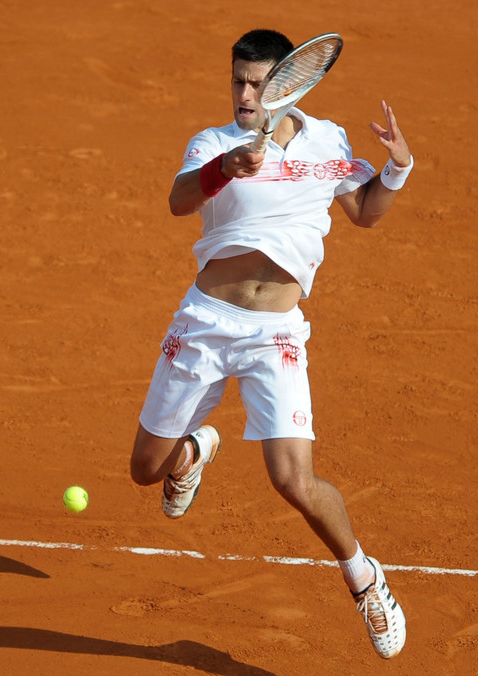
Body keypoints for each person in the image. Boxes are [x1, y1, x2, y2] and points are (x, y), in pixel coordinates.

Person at [129, 29, 412, 659]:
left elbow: (364, 213)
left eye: (257, 83)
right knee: (145, 472)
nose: (244, 94)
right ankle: (191, 453)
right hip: (204, 322)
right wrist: (223, 169)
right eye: (237, 80)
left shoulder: (327, 141)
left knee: (294, 480)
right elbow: (178, 201)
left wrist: (396, 166)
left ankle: (365, 580)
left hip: (275, 335)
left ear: (291, 85)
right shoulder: (215, 143)